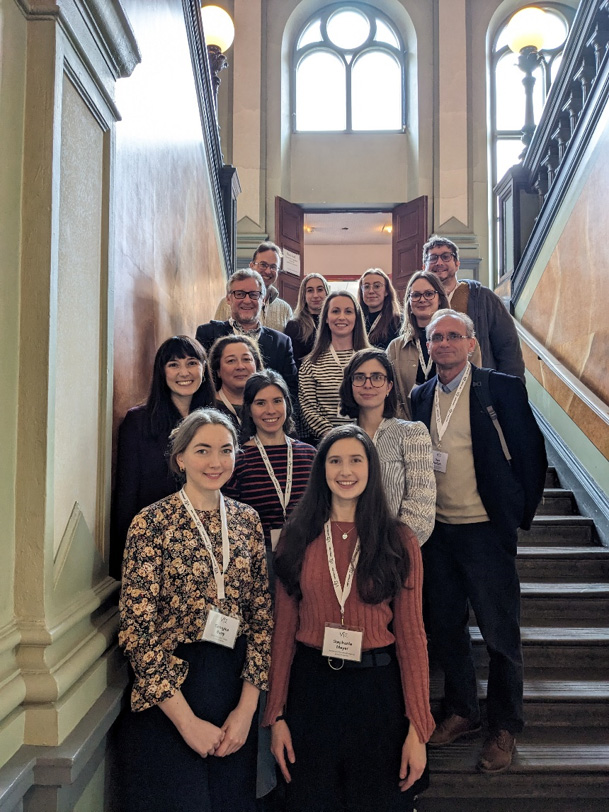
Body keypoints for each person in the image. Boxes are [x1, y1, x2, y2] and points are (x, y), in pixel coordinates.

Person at [263, 424, 435, 812]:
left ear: (371, 469)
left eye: (356, 460)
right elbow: (283, 632)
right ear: (321, 469)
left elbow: (412, 637)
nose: (346, 470)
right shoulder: (297, 536)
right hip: (312, 691)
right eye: (335, 460)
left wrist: (418, 728)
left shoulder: (399, 540)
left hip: (377, 693)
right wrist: (276, 715)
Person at [411, 309, 546, 773]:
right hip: (438, 535)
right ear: (428, 346)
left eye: (454, 336)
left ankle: (505, 724)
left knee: (499, 633)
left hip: (487, 531)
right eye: (436, 337)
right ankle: (462, 710)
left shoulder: (500, 388)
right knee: (446, 628)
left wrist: (516, 517)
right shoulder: (419, 395)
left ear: (471, 344)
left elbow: (531, 455)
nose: (444, 344)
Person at [117, 408, 273, 812]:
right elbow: (138, 630)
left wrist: (246, 710)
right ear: (180, 457)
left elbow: (261, 618)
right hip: (170, 693)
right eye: (202, 450)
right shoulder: (149, 523)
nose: (216, 462)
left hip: (232, 685)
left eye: (225, 450)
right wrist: (186, 723)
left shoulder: (248, 521)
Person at [110, 335, 216, 578]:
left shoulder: (217, 418)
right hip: (156, 541)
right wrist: (125, 557)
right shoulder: (138, 421)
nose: (184, 372)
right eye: (173, 364)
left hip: (208, 537)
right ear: (162, 372)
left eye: (191, 362)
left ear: (204, 367)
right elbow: (127, 492)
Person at [339, 348, 435, 545]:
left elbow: (421, 506)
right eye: (359, 377)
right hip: (346, 547)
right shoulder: (339, 438)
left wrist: (389, 548)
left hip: (395, 553)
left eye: (376, 377)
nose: (368, 384)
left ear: (389, 386)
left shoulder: (412, 433)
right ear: (350, 384)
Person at [223, 370, 316, 556]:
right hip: (257, 556)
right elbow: (230, 520)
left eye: (277, 401)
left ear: (287, 405)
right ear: (248, 409)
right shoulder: (237, 460)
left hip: (309, 551)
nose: (271, 410)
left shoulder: (311, 455)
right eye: (260, 403)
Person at [423, 235, 525, 379]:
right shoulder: (418, 301)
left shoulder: (483, 298)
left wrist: (512, 387)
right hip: (433, 384)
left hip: (479, 384)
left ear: (457, 263)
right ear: (424, 266)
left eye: (446, 257)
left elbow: (507, 346)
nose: (439, 262)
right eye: (433, 258)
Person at [387, 271, 481, 419]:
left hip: (455, 423)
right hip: (407, 428)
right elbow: (391, 395)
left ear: (440, 299)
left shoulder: (464, 340)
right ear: (409, 303)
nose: (422, 299)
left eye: (429, 294)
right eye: (416, 295)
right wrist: (407, 427)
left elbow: (474, 387)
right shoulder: (395, 348)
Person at [196, 268, 298, 403]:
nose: (247, 300)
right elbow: (201, 383)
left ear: (263, 299)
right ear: (228, 298)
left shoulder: (281, 343)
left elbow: (290, 391)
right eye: (239, 294)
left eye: (254, 294)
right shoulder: (208, 334)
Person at [298, 291, 370, 443]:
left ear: (356, 318)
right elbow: (308, 410)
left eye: (348, 311)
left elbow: (382, 403)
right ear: (325, 318)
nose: (342, 317)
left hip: (368, 441)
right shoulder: (310, 363)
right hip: (327, 444)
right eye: (335, 311)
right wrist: (334, 438)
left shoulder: (372, 359)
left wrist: (363, 437)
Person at [214, 243, 293, 331]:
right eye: (263, 265)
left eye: (273, 267)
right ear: (251, 266)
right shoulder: (226, 304)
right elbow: (216, 339)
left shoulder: (285, 309)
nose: (268, 271)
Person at [208, 334, 262, 429]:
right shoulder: (208, 408)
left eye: (246, 359)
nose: (240, 366)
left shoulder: (271, 405)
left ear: (256, 366)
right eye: (231, 361)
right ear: (218, 370)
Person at [283, 273, 330, 367]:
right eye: (310, 290)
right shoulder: (294, 326)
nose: (315, 295)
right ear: (303, 295)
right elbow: (291, 364)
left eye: (320, 289)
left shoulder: (334, 323)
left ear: (327, 292)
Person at [357, 267, 402, 349]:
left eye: (377, 286)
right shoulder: (356, 320)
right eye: (366, 287)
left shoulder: (398, 321)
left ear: (386, 291)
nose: (371, 291)